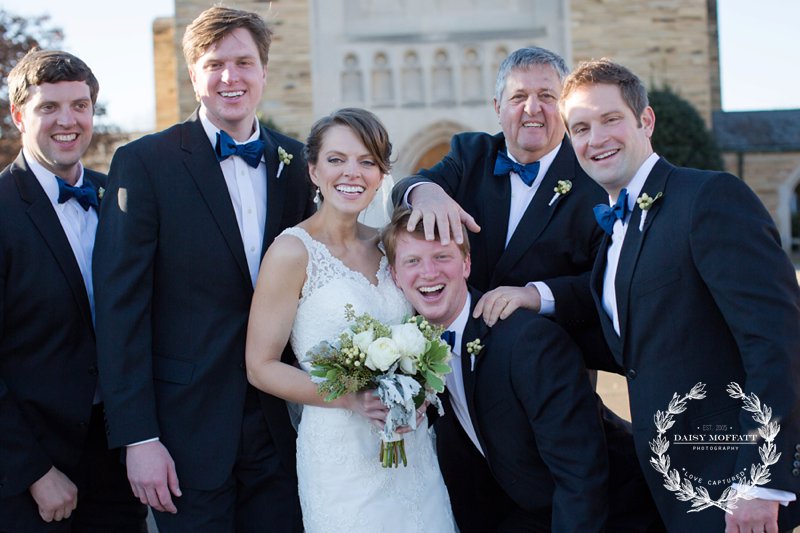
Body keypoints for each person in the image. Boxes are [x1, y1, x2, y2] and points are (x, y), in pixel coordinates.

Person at [93, 6, 314, 532]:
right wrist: (139, 437)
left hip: (279, 430)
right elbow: (120, 309)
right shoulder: (143, 163)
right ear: (194, 75)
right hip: (183, 434)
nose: (229, 77)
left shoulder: (297, 163)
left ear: (264, 71)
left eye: (243, 62)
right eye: (214, 64)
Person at [559, 58, 800, 532]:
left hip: (734, 486)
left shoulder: (708, 198)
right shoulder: (611, 238)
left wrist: (760, 482)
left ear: (645, 121)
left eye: (611, 119)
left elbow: (777, 341)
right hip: (670, 490)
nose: (596, 138)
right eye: (581, 128)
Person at [245, 108, 455, 532]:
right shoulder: (292, 252)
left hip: (411, 447)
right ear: (313, 170)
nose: (352, 173)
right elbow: (260, 366)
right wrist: (348, 397)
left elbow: (426, 330)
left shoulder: (388, 246)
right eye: (336, 159)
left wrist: (421, 392)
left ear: (381, 174)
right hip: (339, 458)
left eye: (367, 161)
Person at [382, 208, 609, 532]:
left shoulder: (528, 343)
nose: (428, 273)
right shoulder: (410, 353)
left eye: (442, 257)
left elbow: (581, 478)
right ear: (395, 276)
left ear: (466, 264)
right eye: (413, 261)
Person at [0, 49, 146, 532]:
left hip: (119, 460)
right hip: (33, 470)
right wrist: (33, 472)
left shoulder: (120, 197)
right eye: (49, 107)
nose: (68, 121)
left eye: (80, 106)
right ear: (19, 115)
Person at [391, 47, 608, 365]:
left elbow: (604, 282)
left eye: (546, 96)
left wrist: (534, 295)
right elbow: (405, 188)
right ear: (498, 107)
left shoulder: (595, 180)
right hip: (454, 361)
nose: (532, 108)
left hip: (546, 365)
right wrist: (426, 192)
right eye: (518, 97)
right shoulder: (471, 153)